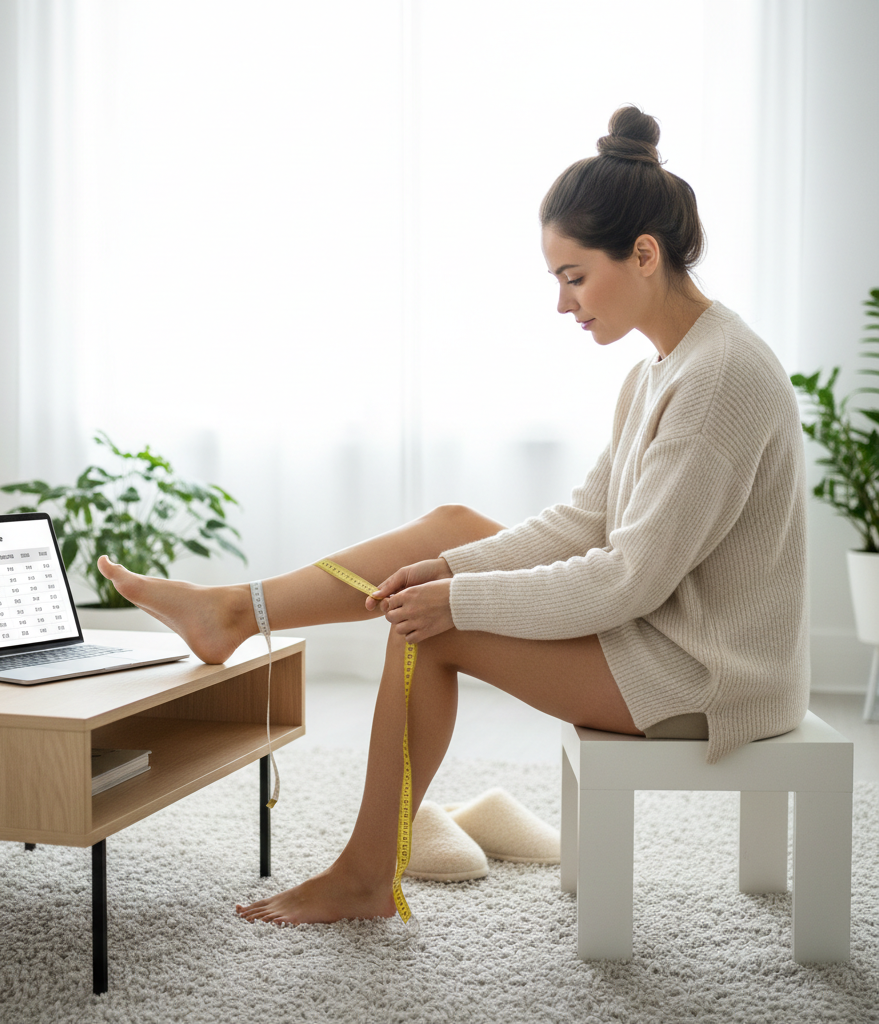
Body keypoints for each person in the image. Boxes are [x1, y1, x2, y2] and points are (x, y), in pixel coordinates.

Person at [96, 106, 809, 926]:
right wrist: (454, 568)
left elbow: (627, 579)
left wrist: (457, 600)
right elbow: (588, 519)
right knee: (450, 528)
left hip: (703, 671)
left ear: (643, 254)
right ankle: (234, 612)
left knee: (426, 629)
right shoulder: (663, 368)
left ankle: (364, 876)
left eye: (574, 277)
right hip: (665, 628)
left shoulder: (718, 380)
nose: (563, 303)